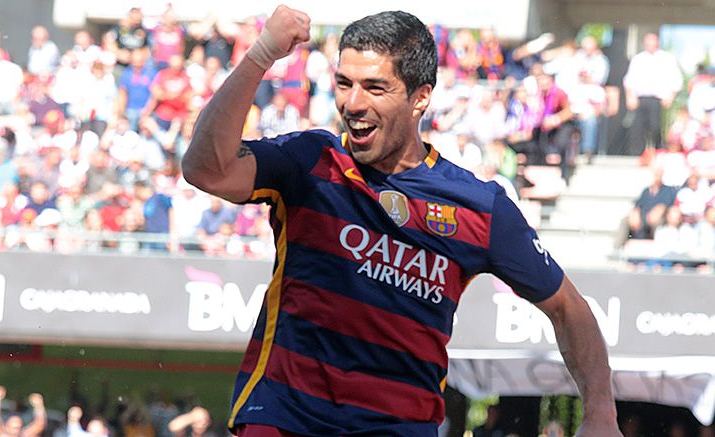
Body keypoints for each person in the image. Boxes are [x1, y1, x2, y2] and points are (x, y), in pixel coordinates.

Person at [182, 5, 620, 436]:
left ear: (420, 97)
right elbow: (206, 169)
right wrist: (261, 54)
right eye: (343, 83)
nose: (353, 103)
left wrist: (601, 415)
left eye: (374, 87)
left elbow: (568, 308)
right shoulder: (309, 161)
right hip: (284, 420)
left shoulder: (478, 206)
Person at [623, 33, 683, 155]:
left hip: (658, 99)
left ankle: (658, 152)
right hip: (640, 98)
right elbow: (629, 80)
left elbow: (677, 80)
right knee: (637, 128)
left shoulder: (667, 58)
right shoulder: (638, 59)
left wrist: (671, 95)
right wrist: (630, 96)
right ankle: (638, 154)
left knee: (656, 127)